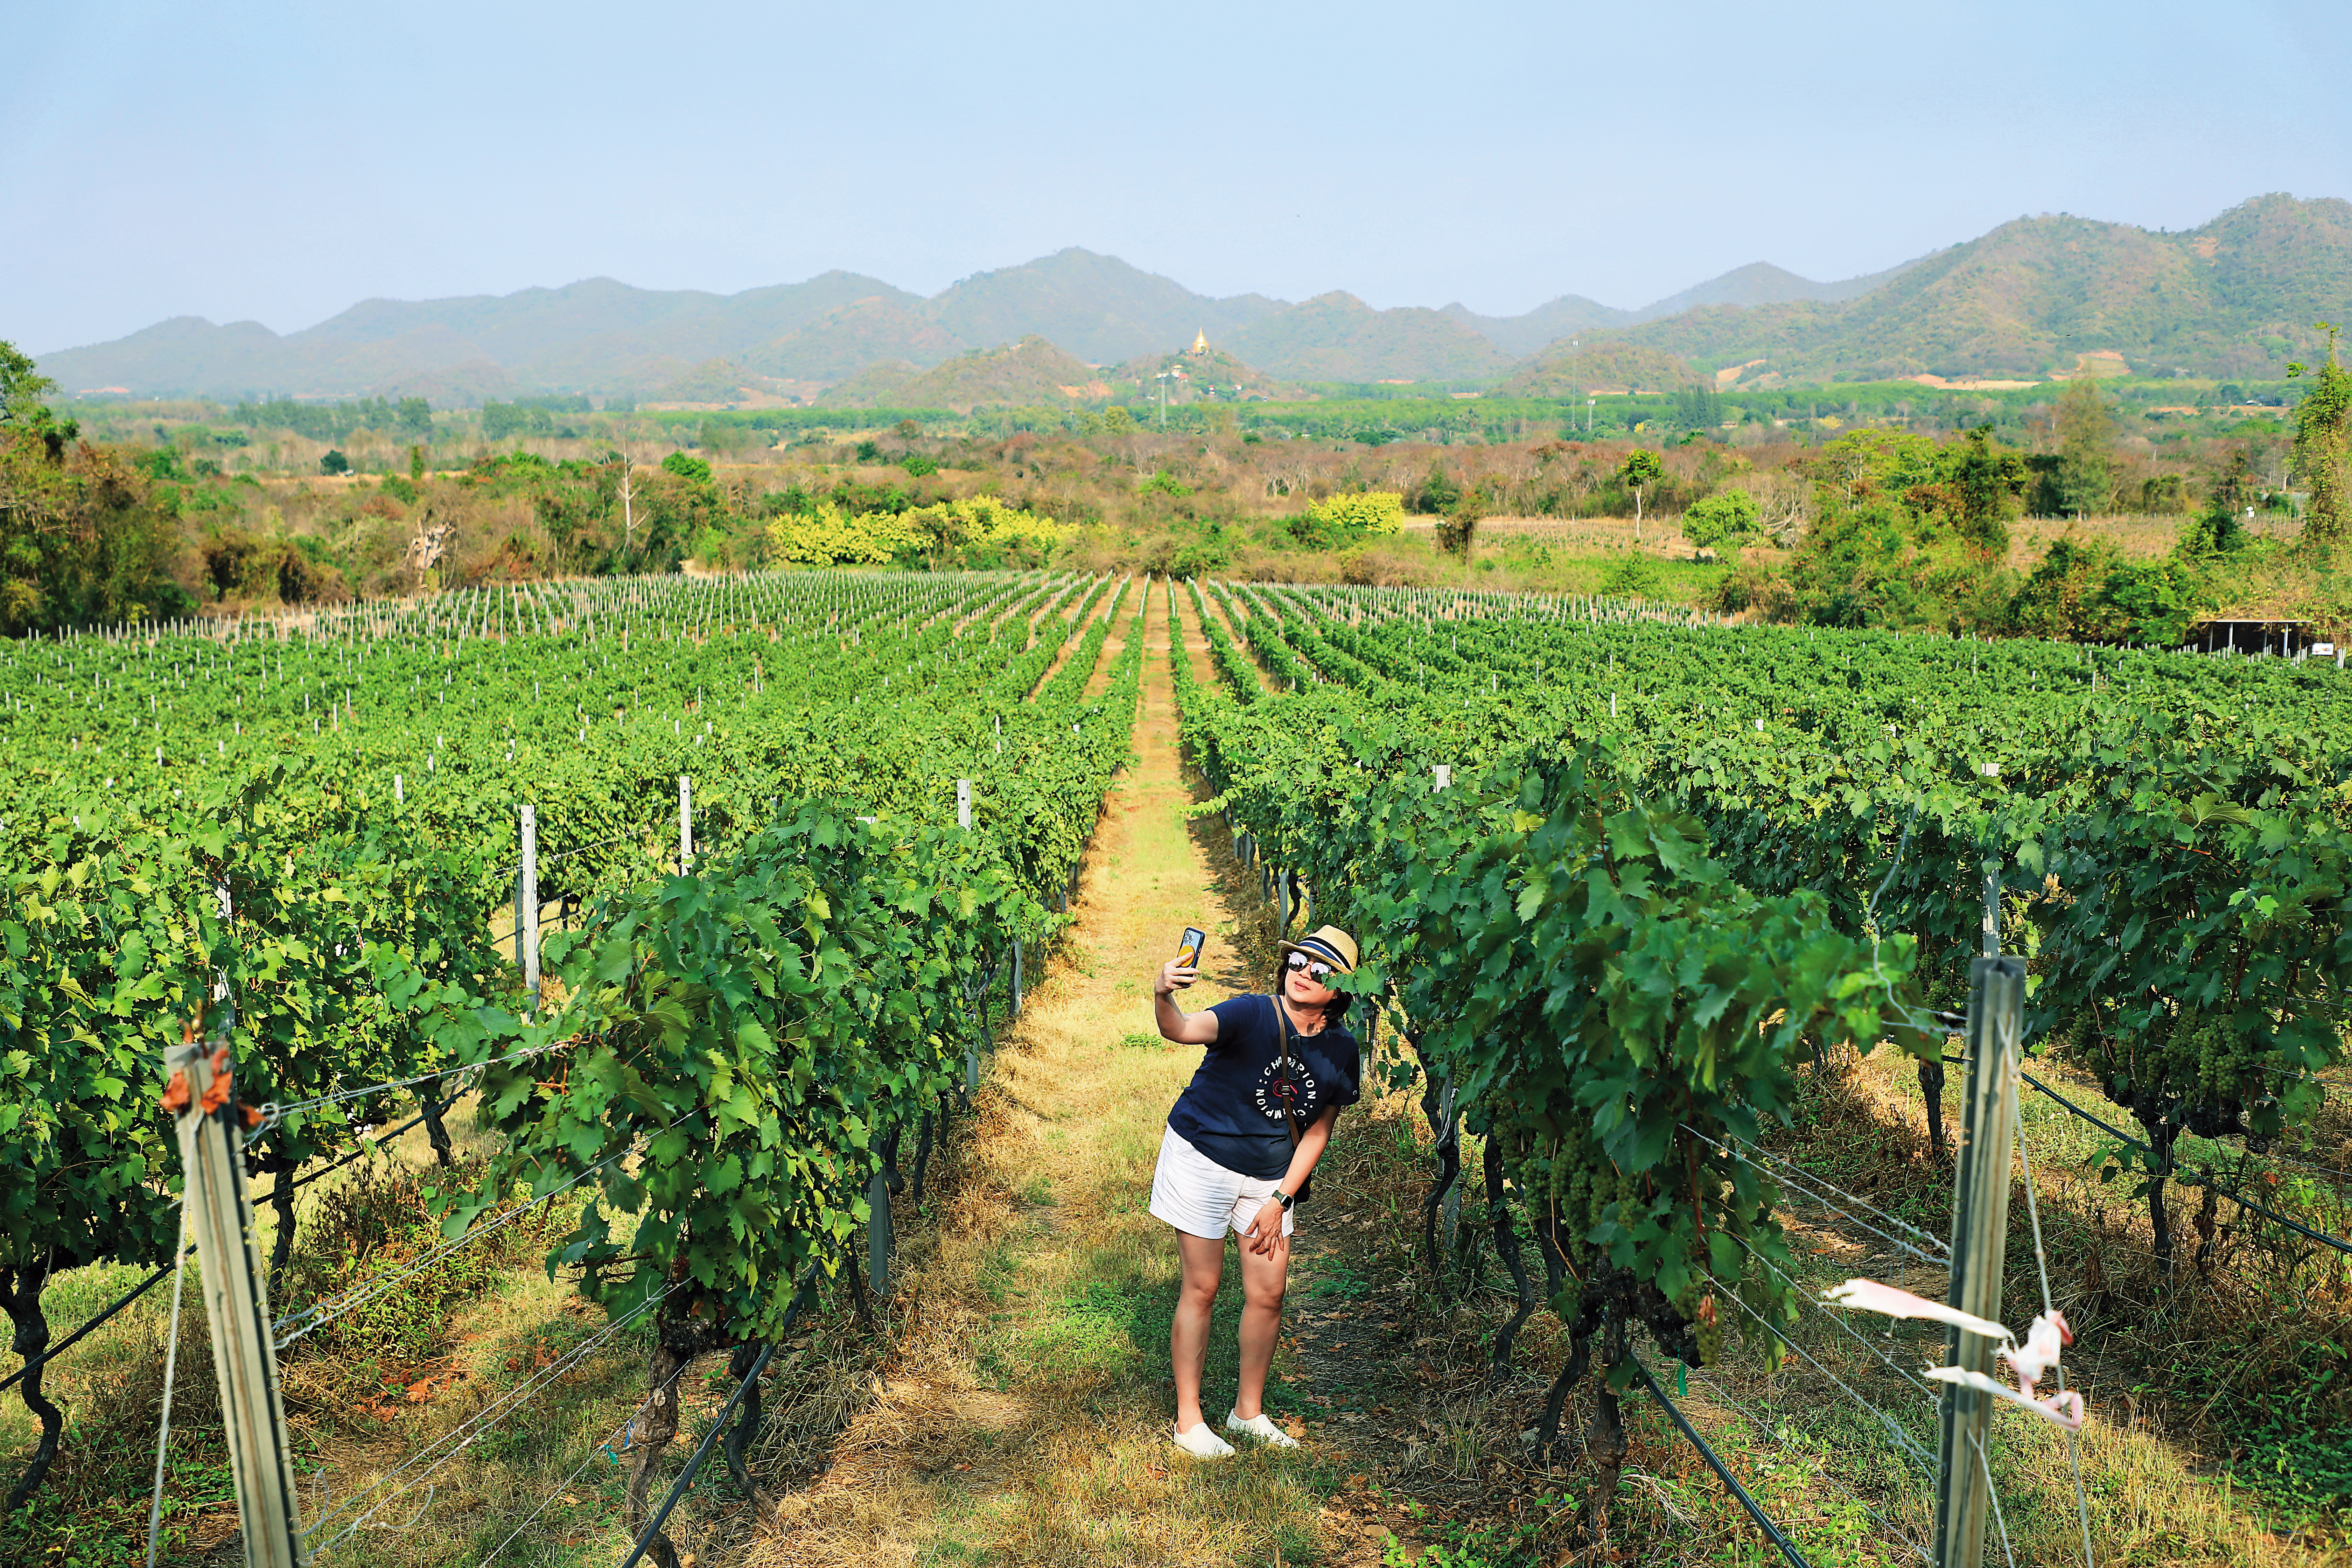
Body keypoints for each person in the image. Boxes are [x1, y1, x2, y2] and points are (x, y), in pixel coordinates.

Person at [1148, 923, 1362, 1457]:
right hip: (1203, 1156)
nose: (1303, 973)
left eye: (1320, 969)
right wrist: (1162, 991)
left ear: (1339, 991)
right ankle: (1189, 1422)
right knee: (1203, 1287)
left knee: (1269, 1293)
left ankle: (1248, 1413)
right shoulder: (1250, 1013)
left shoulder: (1341, 1050)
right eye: (1298, 961)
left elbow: (1318, 1129)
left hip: (1269, 1177)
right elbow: (1179, 1029)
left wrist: (1281, 1198)